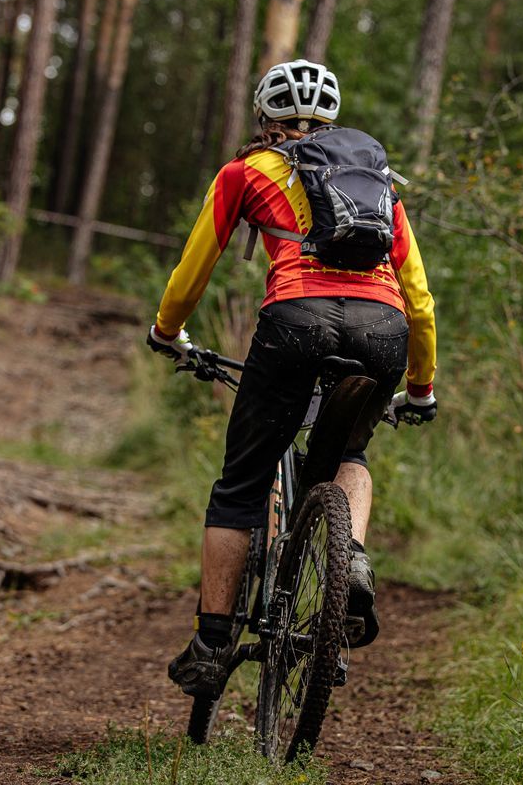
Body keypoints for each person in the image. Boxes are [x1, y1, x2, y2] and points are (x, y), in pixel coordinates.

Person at [147, 59, 438, 698]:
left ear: (264, 118)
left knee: (241, 483)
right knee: (349, 453)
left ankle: (213, 640)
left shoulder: (246, 172)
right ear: (330, 121)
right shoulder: (378, 180)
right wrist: (420, 386)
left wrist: (168, 332)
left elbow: (195, 269)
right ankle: (350, 558)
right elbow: (417, 294)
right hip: (383, 331)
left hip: (295, 324)